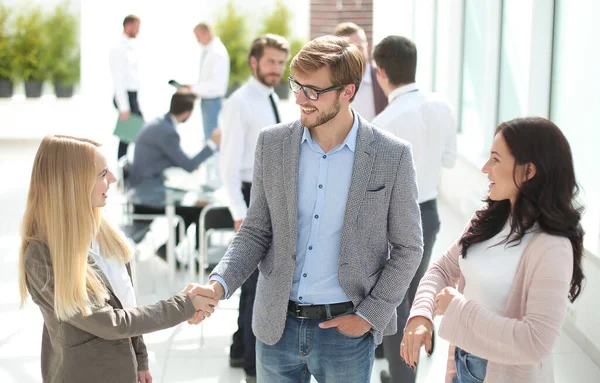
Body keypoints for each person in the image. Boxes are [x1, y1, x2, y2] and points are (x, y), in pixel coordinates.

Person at [192, 35, 423, 382]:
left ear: (348, 91)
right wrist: (218, 284)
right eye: (297, 85)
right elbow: (255, 231)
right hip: (276, 329)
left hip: (346, 333)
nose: (300, 99)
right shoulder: (272, 144)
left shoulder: (392, 155)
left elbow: (408, 248)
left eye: (313, 91)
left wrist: (369, 315)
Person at [18, 134, 218, 383]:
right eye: (102, 174)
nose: (113, 180)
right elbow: (110, 322)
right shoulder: (42, 256)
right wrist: (185, 304)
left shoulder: (105, 236)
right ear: (73, 183)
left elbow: (126, 303)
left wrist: (140, 358)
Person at [401, 117, 585, 382]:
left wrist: (458, 310)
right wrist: (421, 314)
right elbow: (442, 269)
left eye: (496, 159)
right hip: (464, 361)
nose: (485, 168)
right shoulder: (489, 218)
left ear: (528, 171)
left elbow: (536, 342)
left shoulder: (552, 247)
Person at [371, 35, 457, 383]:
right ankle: (411, 370)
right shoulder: (443, 106)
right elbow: (449, 160)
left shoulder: (382, 123)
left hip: (395, 219)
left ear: (380, 72)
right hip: (430, 214)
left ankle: (404, 378)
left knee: (394, 301)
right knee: (419, 292)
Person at [218, 33, 290, 382]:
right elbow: (228, 167)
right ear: (254, 62)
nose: (276, 69)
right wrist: (239, 213)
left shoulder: (276, 98)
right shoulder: (240, 102)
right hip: (250, 195)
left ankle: (238, 348)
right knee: (255, 283)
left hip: (270, 192)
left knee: (257, 280)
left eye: (281, 62)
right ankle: (251, 363)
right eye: (270, 62)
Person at [129, 89, 221, 263]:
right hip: (147, 196)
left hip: (142, 188)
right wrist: (212, 144)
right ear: (187, 113)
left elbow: (164, 159)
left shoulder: (158, 124)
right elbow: (188, 165)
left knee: (193, 204)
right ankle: (196, 259)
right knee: (198, 209)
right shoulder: (167, 132)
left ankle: (169, 249)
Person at [333, 22, 387, 121]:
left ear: (367, 47)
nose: (354, 55)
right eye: (348, 50)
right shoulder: (328, 84)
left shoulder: (384, 80)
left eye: (358, 48)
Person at [110, 14, 143, 161]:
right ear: (127, 26)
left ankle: (125, 171)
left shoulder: (130, 47)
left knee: (128, 136)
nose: (138, 31)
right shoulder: (119, 49)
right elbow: (118, 80)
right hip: (126, 98)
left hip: (132, 96)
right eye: (136, 27)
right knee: (129, 135)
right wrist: (124, 107)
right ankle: (123, 172)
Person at [191, 23, 230, 140]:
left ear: (206, 33)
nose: (197, 41)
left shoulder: (217, 52)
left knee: (212, 138)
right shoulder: (209, 50)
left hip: (212, 99)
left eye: (198, 37)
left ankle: (214, 158)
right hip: (207, 98)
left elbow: (216, 84)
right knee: (209, 136)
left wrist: (193, 89)